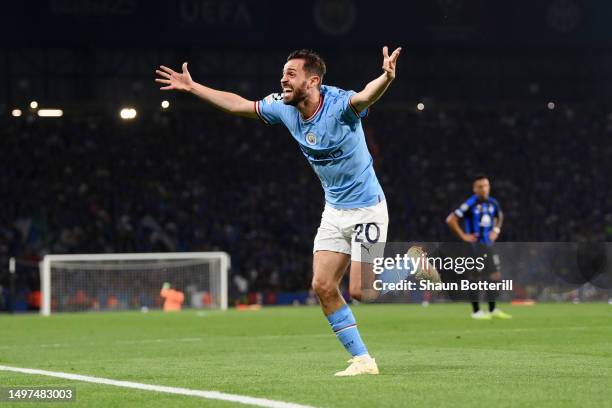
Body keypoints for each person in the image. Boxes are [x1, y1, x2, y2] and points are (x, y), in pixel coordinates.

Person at [155, 46, 402, 376]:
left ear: (313, 81)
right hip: (334, 210)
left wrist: (385, 77)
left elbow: (365, 97)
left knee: (361, 291)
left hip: (367, 209)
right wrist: (194, 87)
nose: (283, 79)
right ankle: (363, 360)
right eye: (283, 73)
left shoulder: (340, 105)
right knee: (323, 286)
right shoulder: (284, 108)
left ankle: (412, 264)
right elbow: (240, 106)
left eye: (291, 74)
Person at [446, 175, 512, 320]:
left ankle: (492, 309)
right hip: (474, 247)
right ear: (474, 188)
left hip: (488, 245)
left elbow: (499, 217)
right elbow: (451, 219)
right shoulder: (470, 203)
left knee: (495, 276)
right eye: (480, 186)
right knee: (475, 277)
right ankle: (476, 311)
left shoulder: (493, 203)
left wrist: (496, 230)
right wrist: (463, 236)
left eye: (486, 186)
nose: (484, 189)